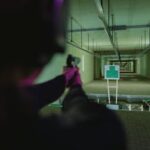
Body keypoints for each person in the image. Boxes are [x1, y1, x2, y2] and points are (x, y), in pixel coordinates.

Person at [0, 0, 126, 150]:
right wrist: (76, 89)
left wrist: (64, 80)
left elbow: (33, 94)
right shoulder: (34, 136)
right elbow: (106, 128)